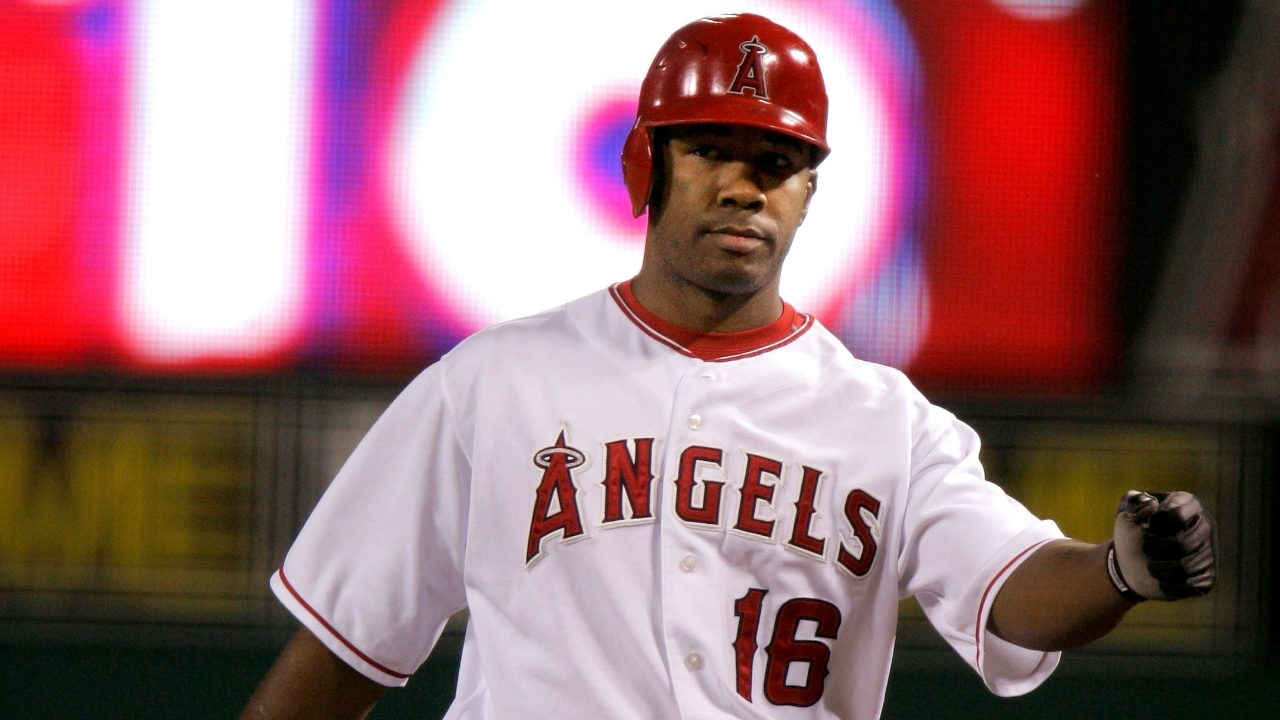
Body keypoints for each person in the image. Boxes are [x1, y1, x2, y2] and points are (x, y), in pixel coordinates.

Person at [241, 13, 1217, 720]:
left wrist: (1116, 570)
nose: (746, 184)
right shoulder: (490, 385)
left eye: (777, 159)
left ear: (808, 193)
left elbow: (1015, 588)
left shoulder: (883, 420)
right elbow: (338, 656)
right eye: (712, 148)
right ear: (644, 165)